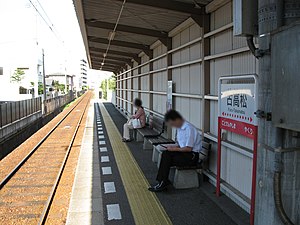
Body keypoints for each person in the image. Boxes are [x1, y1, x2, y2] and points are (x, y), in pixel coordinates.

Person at [148, 110, 202, 192]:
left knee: (167, 157)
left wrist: (173, 149)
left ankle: (163, 181)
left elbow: (188, 148)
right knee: (166, 154)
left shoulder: (188, 129)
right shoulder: (180, 128)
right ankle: (162, 181)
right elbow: (180, 145)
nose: (172, 125)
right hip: (185, 154)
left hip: (192, 157)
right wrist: (170, 147)